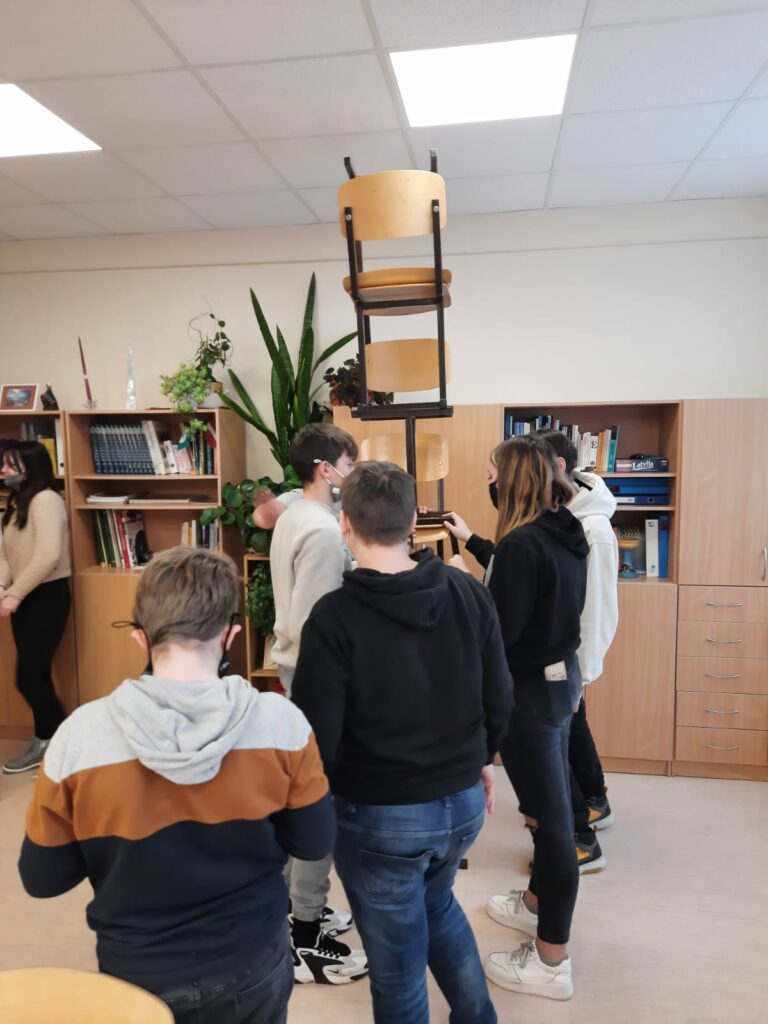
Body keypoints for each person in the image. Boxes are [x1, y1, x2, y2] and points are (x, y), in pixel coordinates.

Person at [19, 545, 335, 1024]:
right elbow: (314, 843)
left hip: (135, 973)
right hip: (251, 960)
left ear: (141, 639)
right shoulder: (282, 723)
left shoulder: (78, 737)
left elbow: (42, 879)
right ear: (230, 636)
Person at [293, 460, 514, 1024]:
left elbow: (319, 739)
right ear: (415, 521)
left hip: (381, 819)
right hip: (464, 804)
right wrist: (481, 758)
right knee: (438, 903)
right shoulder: (467, 590)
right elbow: (499, 695)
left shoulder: (332, 618)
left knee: (397, 973)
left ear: (345, 523)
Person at [446, 436, 588, 1001]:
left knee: (551, 825)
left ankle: (552, 959)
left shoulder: (524, 545)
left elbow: (498, 634)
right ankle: (535, 904)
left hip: (530, 696)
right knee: (543, 813)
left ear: (512, 482)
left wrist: (461, 582)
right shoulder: (563, 529)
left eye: (492, 476)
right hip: (558, 680)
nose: (490, 484)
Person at [269, 423, 367, 985]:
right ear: (326, 470)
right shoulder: (324, 531)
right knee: (318, 801)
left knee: (306, 792)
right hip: (315, 676)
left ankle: (298, 907)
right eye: (349, 466)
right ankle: (304, 932)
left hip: (296, 668)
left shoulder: (296, 515)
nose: (354, 475)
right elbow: (319, 622)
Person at [536, 428, 618, 870]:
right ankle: (595, 800)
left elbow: (597, 608)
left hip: (570, 657)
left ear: (558, 467)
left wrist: (580, 674)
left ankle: (580, 838)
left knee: (561, 737)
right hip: (559, 652)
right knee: (573, 727)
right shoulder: (560, 511)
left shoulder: (593, 528)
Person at [0, 441, 70, 774]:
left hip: (47, 596)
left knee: (28, 679)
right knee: (37, 676)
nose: (3, 471)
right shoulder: (17, 501)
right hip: (24, 596)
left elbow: (48, 555)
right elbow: (5, 554)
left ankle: (52, 741)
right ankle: (53, 742)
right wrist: (4, 586)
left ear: (30, 467)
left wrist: (15, 594)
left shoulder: (47, 500)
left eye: (10, 465)